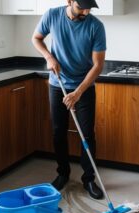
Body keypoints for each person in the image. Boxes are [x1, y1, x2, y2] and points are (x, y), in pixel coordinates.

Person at [32, 0, 106, 200]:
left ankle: (89, 179)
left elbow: (98, 65)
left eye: (89, 7)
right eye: (81, 6)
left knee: (87, 134)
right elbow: (37, 38)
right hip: (58, 85)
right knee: (58, 132)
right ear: (69, 1)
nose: (86, 11)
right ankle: (63, 173)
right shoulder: (52, 15)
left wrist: (78, 92)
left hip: (84, 87)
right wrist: (48, 56)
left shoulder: (96, 26)